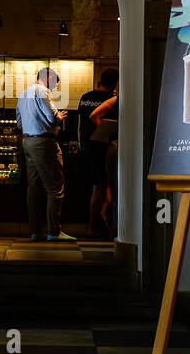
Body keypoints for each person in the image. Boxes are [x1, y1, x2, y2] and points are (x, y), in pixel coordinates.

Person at [15, 67, 75, 243]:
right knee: (55, 187)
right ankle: (54, 231)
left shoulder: (23, 93)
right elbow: (51, 117)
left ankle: (36, 231)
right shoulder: (43, 91)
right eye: (55, 82)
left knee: (33, 188)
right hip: (44, 142)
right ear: (48, 77)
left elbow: (19, 122)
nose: (55, 87)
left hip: (27, 142)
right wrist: (60, 116)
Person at [76, 68, 118, 240]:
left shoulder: (85, 97)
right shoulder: (111, 99)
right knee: (102, 186)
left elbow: (79, 124)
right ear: (115, 82)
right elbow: (98, 118)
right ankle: (95, 225)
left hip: (85, 146)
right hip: (101, 146)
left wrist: (81, 144)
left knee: (98, 186)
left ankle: (99, 222)